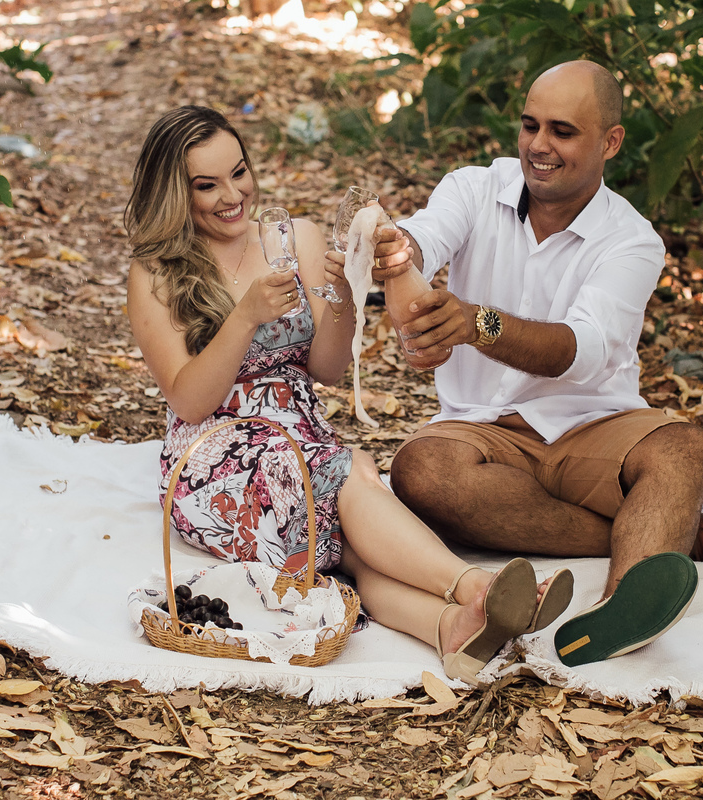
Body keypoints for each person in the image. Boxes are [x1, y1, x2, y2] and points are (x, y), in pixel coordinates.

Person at [124, 105, 573, 684]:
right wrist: (245, 317)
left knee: (351, 537)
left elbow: (327, 368)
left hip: (301, 435)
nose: (233, 195)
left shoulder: (294, 237)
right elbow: (188, 402)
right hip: (215, 458)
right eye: (206, 186)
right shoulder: (157, 272)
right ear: (173, 194)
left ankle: (450, 630)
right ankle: (476, 586)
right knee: (351, 476)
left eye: (239, 172)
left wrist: (340, 287)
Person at [372, 61, 703, 668]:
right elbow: (425, 235)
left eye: (562, 131)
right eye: (529, 126)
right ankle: (673, 534)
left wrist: (477, 324)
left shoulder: (633, 239)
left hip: (590, 424)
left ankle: (623, 606)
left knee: (683, 449)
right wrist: (399, 248)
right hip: (481, 428)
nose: (539, 146)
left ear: (610, 142)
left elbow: (583, 351)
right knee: (420, 472)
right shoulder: (474, 188)